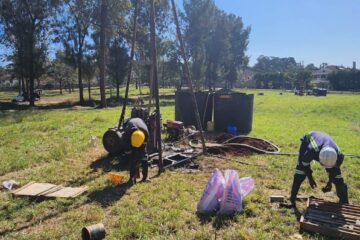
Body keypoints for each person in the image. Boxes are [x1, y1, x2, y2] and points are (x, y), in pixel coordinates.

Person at [288, 131, 348, 207]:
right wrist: (310, 179)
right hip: (308, 141)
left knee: (338, 178)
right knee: (300, 172)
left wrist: (330, 182)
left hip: (324, 144)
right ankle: (292, 200)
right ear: (319, 158)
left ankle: (344, 202)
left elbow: (334, 171)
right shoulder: (311, 151)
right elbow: (305, 165)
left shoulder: (339, 156)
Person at [123, 117, 150, 184]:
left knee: (144, 157)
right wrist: (131, 156)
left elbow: (143, 149)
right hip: (131, 134)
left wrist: (140, 156)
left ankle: (145, 177)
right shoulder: (126, 134)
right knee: (131, 157)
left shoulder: (145, 133)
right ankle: (132, 177)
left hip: (140, 128)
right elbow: (127, 150)